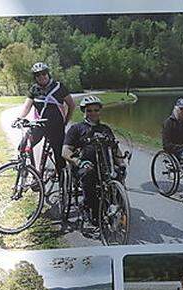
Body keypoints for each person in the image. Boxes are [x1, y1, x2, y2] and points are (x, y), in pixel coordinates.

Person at [63, 95, 125, 229]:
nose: (93, 113)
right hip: (84, 166)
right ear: (84, 112)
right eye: (89, 110)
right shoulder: (76, 129)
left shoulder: (105, 129)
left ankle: (118, 207)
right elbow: (65, 152)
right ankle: (91, 209)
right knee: (89, 175)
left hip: (104, 167)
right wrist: (79, 162)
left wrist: (121, 164)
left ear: (100, 111)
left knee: (119, 175)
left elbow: (115, 149)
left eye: (96, 110)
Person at [14, 62, 72, 172]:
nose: (41, 76)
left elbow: (71, 105)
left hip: (56, 127)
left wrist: (66, 121)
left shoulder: (59, 87)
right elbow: (27, 107)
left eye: (44, 73)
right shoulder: (34, 89)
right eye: (38, 75)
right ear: (35, 77)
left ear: (48, 73)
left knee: (59, 158)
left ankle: (62, 185)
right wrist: (19, 118)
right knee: (24, 146)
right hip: (40, 125)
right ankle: (33, 173)